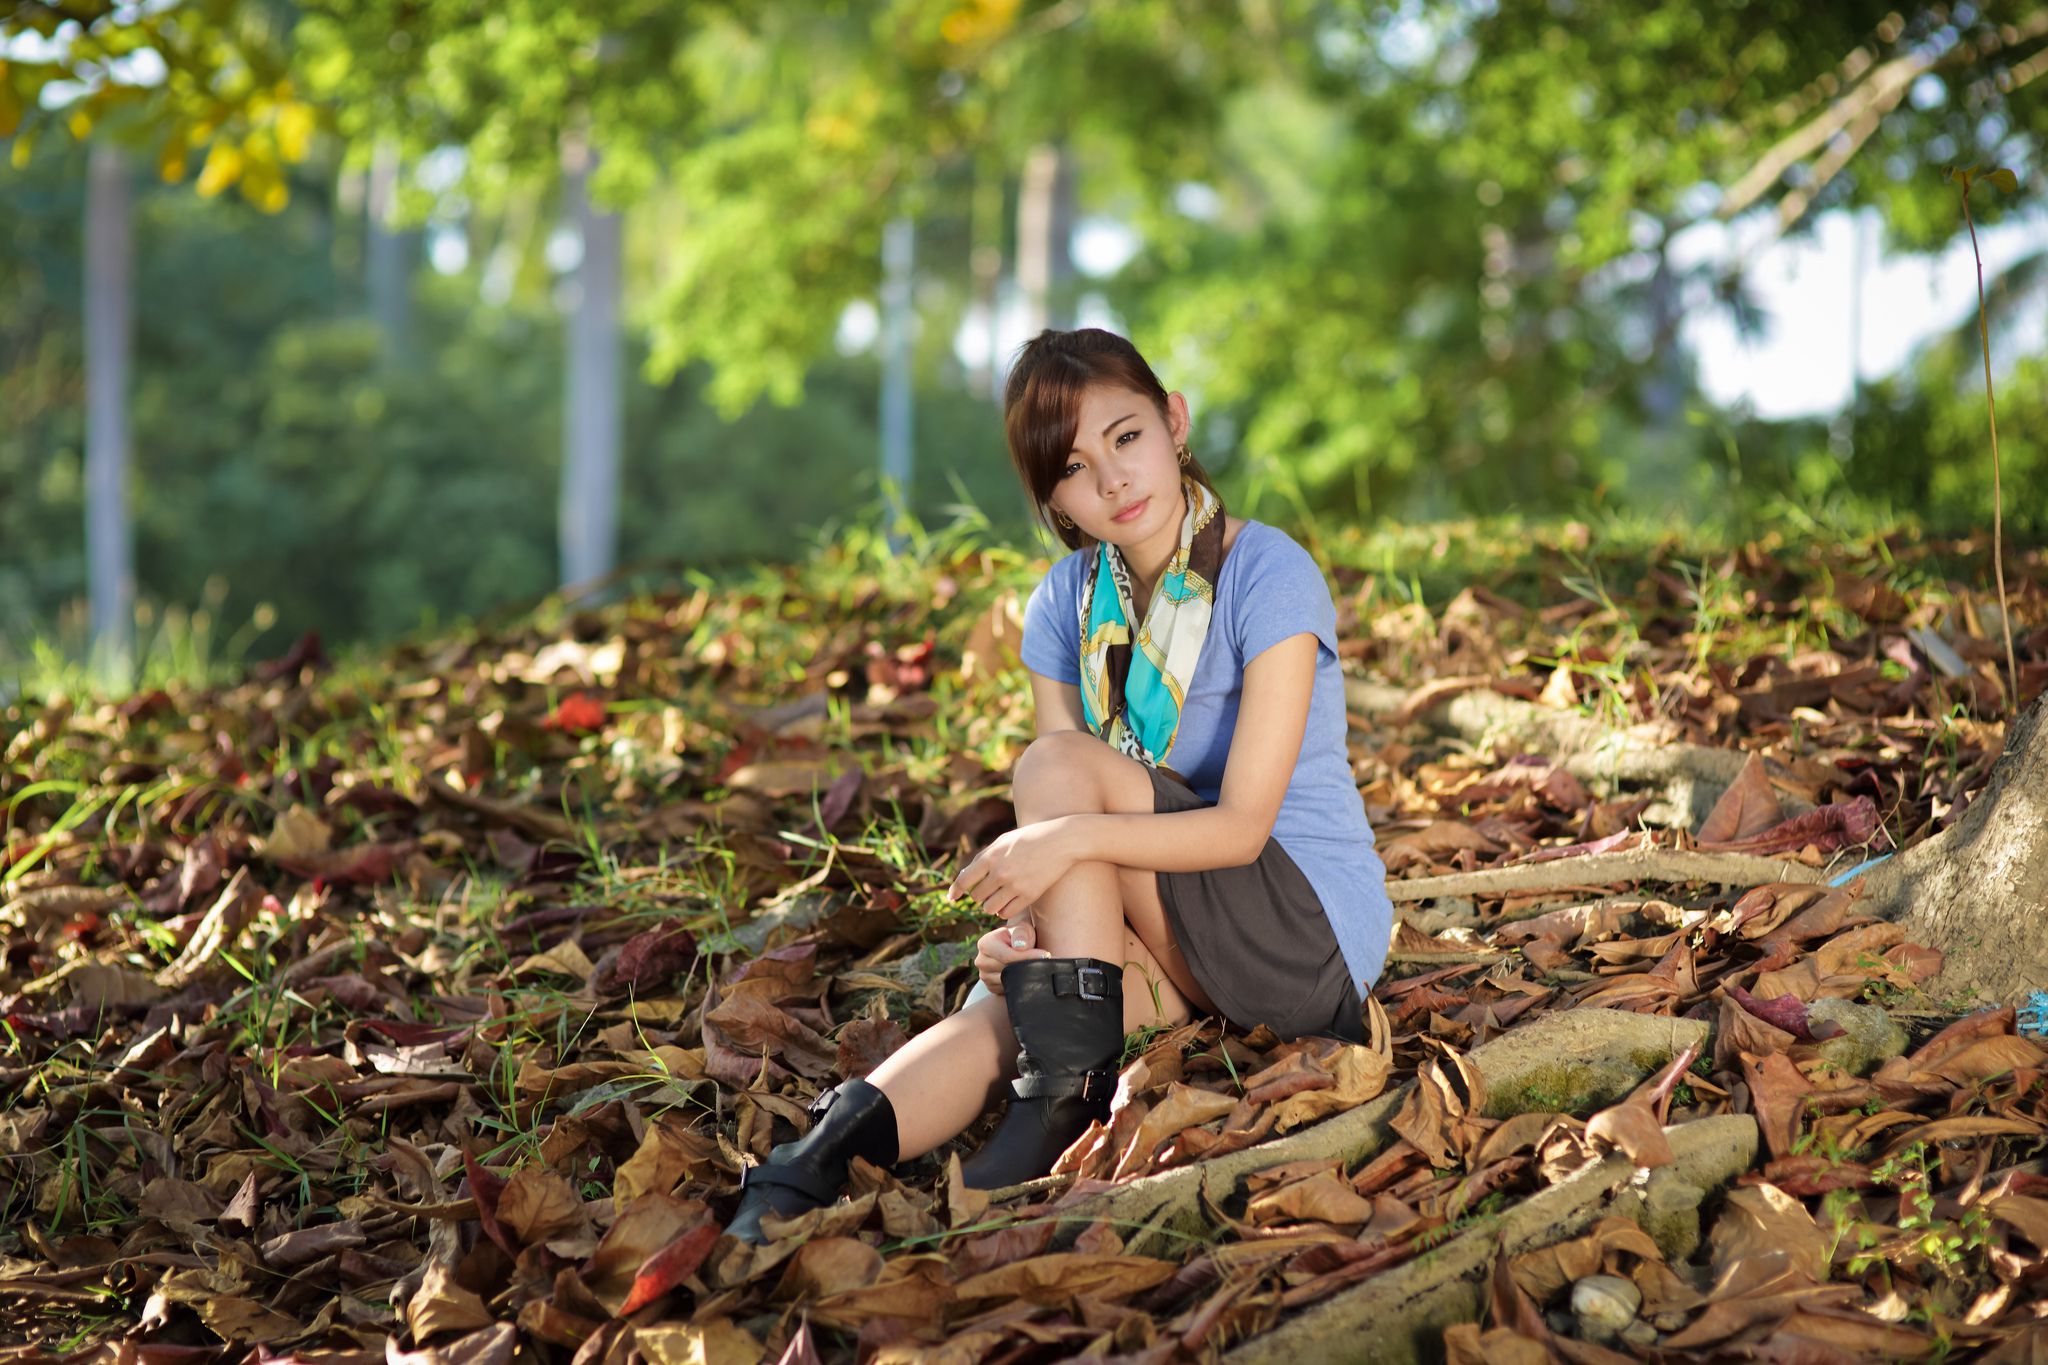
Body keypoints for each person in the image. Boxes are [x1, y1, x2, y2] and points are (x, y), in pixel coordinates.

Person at [726, 327, 1394, 1243]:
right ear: (1055, 501)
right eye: (1075, 468)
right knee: (1020, 1002)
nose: (1114, 481)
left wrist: (1064, 847)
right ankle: (811, 1163)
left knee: (1057, 775)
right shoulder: (1066, 605)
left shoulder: (1267, 573)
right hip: (1175, 928)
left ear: (1175, 423)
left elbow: (1231, 827)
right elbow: (1066, 825)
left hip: (1300, 931)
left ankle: (1066, 1097)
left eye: (1127, 437)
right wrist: (1031, 931)